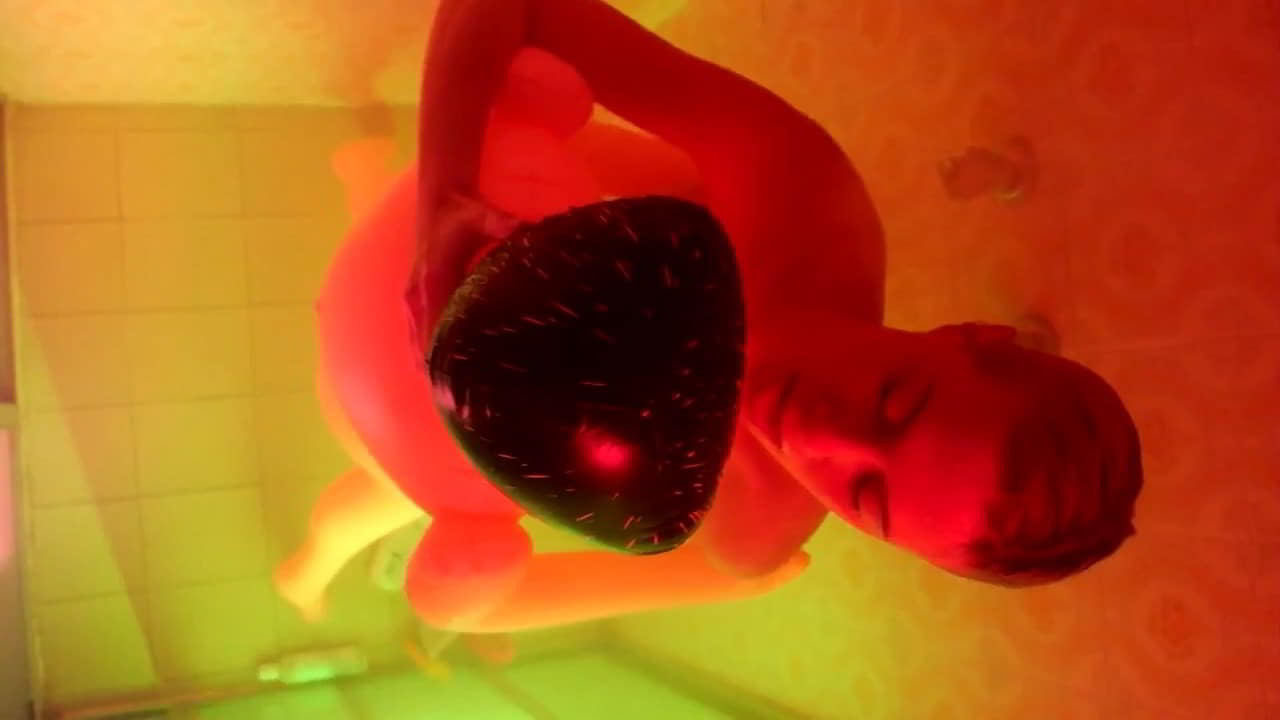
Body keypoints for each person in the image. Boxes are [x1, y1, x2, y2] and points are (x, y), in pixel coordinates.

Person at [412, 0, 1143, 591]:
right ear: (967, 335)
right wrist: (444, 200)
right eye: (894, 400)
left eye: (865, 495)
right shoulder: (801, 195)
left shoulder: (749, 531)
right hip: (505, 224)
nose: (815, 431)